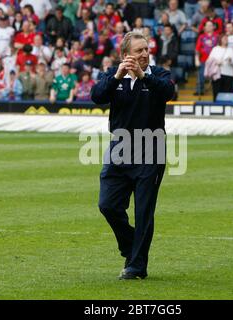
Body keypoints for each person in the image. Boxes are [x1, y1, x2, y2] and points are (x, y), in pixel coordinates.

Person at [90, 31, 175, 280]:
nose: (145, 54)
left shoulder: (158, 75)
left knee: (143, 212)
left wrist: (143, 78)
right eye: (139, 51)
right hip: (119, 149)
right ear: (125, 55)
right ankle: (130, 247)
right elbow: (97, 96)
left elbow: (169, 94)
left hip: (151, 149)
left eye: (147, 50)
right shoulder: (113, 77)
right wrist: (118, 76)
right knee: (107, 205)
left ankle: (137, 267)